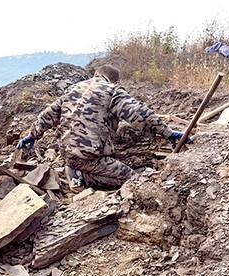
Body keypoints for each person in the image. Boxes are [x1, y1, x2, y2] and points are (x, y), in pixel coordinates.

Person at [17, 64, 191, 191]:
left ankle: (74, 168)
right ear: (116, 82)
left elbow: (47, 115)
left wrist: (31, 136)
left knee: (94, 157)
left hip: (66, 151)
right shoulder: (112, 91)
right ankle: (82, 177)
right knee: (134, 180)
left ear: (95, 74)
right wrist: (168, 133)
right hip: (89, 158)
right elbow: (139, 113)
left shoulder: (74, 88)